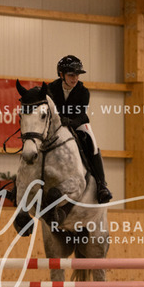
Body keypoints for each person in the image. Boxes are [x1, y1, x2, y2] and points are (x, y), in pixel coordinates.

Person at [48, 55, 112, 204]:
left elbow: (82, 114)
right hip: (55, 126)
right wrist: (59, 120)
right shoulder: (51, 89)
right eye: (71, 75)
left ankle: (101, 185)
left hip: (77, 123)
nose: (75, 78)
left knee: (92, 144)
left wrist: (70, 122)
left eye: (77, 75)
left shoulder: (83, 91)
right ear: (61, 75)